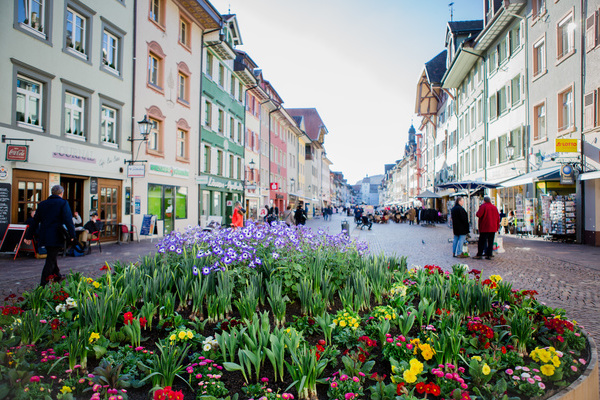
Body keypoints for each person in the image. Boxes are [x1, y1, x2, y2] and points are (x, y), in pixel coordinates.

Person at [23, 185, 75, 286]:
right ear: (62, 193)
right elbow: (68, 220)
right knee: (50, 259)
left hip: (44, 235)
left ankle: (57, 275)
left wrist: (28, 236)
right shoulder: (63, 203)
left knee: (52, 255)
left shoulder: (42, 204)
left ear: (52, 192)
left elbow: (35, 221)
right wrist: (72, 235)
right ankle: (43, 284)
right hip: (56, 235)